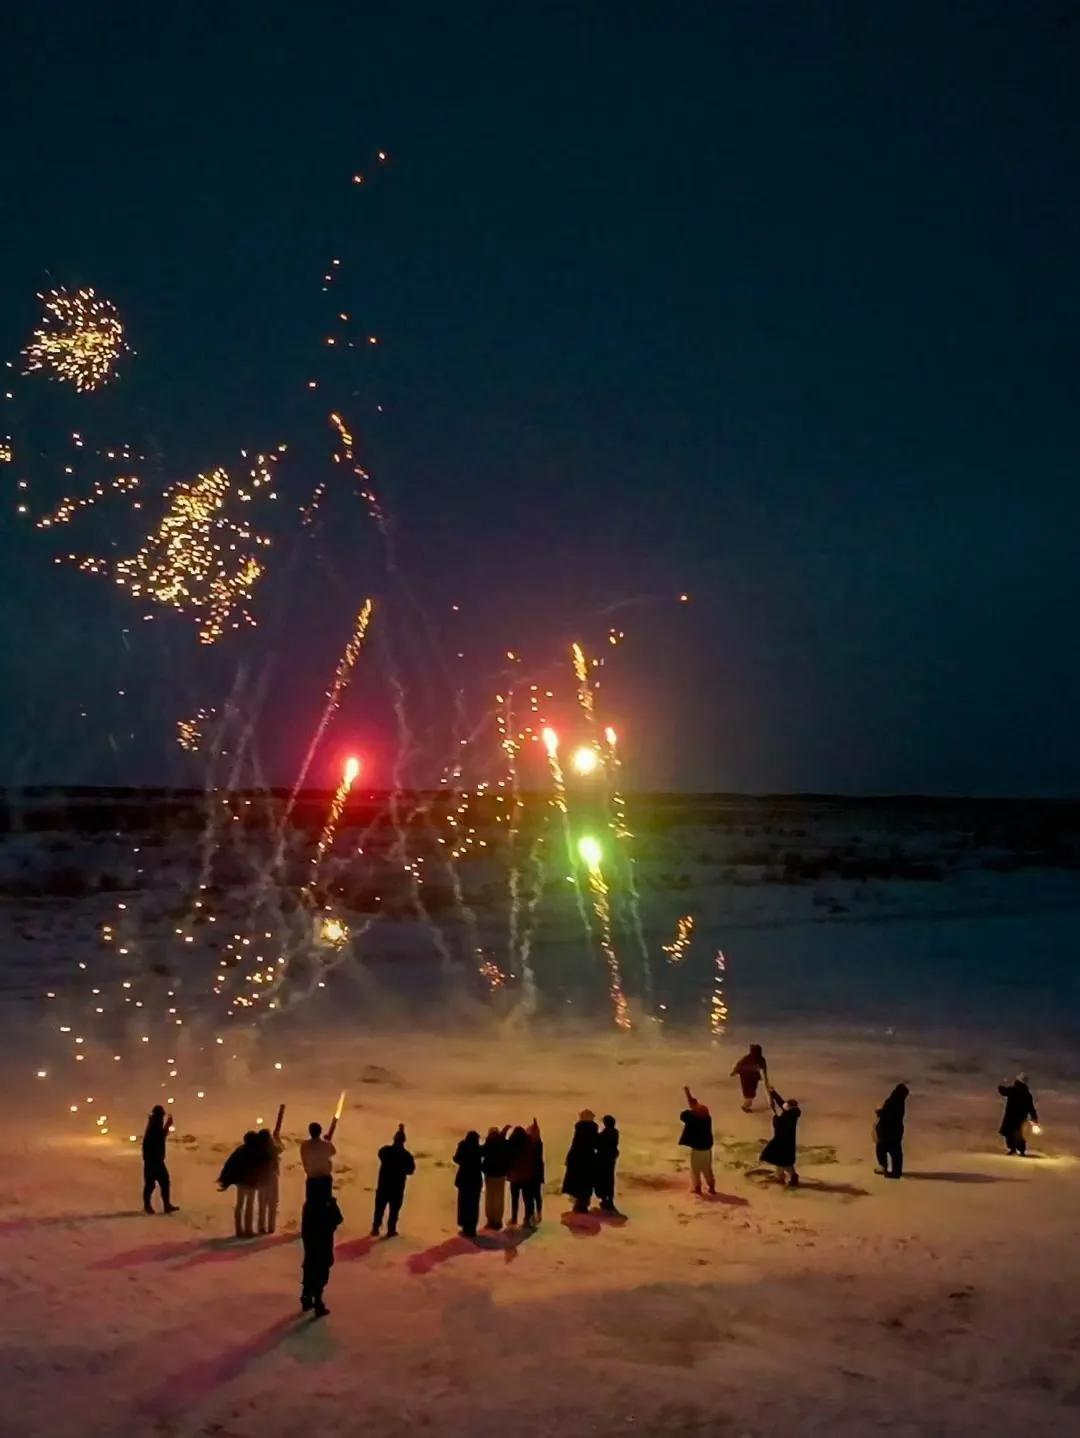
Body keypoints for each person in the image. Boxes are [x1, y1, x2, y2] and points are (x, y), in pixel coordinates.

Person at [300, 1178, 343, 1318]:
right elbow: (338, 1219)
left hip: (310, 1239)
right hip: (324, 1239)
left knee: (310, 1264)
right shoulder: (328, 1204)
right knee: (322, 1267)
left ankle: (306, 1296)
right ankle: (318, 1301)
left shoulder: (308, 1205)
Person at [371, 1123, 415, 1237]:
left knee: (379, 1209)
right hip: (397, 1187)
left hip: (383, 1185)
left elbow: (380, 1154)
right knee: (394, 1211)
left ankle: (375, 1227)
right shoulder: (407, 1156)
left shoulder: (385, 1151)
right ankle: (391, 1229)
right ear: (404, 1141)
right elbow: (411, 1171)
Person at [218, 1130, 264, 1237]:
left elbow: (230, 1165)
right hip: (250, 1182)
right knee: (249, 1205)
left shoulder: (240, 1151)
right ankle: (248, 1230)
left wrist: (225, 1179)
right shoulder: (256, 1152)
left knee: (240, 1205)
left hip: (242, 1182)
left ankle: (239, 1230)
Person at [679, 1087, 716, 1195]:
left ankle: (697, 1188)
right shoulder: (707, 1118)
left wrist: (689, 1098)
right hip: (707, 1148)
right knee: (707, 1169)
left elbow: (683, 1115)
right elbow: (695, 1106)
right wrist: (688, 1094)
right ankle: (711, 1186)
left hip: (697, 1149)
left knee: (695, 1169)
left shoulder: (692, 1118)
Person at [142, 1105, 178, 1214]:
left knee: (162, 1182)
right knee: (152, 1184)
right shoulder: (154, 1126)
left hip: (155, 1160)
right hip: (153, 1161)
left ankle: (165, 1205)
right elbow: (159, 1137)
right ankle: (149, 1205)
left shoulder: (154, 1124)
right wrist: (168, 1125)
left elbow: (160, 1136)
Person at [761, 1087, 801, 1186]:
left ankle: (787, 1177)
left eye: (787, 1105)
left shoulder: (789, 1117)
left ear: (791, 1107)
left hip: (782, 1140)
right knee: (783, 1160)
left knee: (782, 1160)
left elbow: (779, 1125)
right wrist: (773, 1093)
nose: (785, 1105)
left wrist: (774, 1114)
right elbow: (781, 1103)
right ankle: (782, 1176)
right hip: (786, 1141)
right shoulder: (791, 1113)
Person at [562, 1109, 599, 1214]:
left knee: (577, 1180)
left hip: (577, 1156)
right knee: (586, 1180)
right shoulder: (594, 1127)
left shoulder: (579, 1126)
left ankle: (579, 1203)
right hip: (589, 1157)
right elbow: (595, 1143)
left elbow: (575, 1142)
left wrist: (569, 1157)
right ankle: (584, 1203)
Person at [256, 1107, 285, 1233]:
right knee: (272, 1204)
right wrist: (277, 1137)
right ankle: (271, 1227)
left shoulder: (257, 1150)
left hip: (261, 1180)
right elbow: (281, 1148)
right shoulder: (273, 1149)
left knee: (262, 1205)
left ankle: (261, 1227)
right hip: (272, 1178)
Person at [998, 1073, 1038, 1156]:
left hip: (1010, 1116)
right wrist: (1034, 1118)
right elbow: (1031, 1108)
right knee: (1017, 1133)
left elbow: (1003, 1091)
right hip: (1021, 1117)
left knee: (1009, 1133)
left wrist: (1001, 1085)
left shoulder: (1013, 1090)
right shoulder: (1027, 1094)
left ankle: (1013, 1149)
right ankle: (1021, 1150)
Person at [874, 1083, 909, 1179]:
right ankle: (896, 1171)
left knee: (882, 1149)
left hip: (887, 1131)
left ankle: (885, 1168)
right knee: (895, 1152)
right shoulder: (900, 1102)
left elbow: (887, 1115)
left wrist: (879, 1112)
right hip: (895, 1131)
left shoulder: (891, 1101)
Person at [453, 1130, 484, 1238]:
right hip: (475, 1180)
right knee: (474, 1205)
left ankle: (465, 1226)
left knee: (464, 1203)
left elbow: (457, 1159)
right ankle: (472, 1228)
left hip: (464, 1180)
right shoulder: (478, 1148)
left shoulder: (462, 1145)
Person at [481, 1124, 512, 1230]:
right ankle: (498, 1220)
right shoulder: (504, 1143)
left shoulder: (488, 1142)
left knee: (490, 1197)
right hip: (501, 1174)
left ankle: (490, 1219)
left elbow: (482, 1152)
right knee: (499, 1197)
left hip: (489, 1174)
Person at [300, 1120, 336, 1195]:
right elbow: (333, 1152)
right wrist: (328, 1141)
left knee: (311, 1203)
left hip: (312, 1179)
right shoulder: (325, 1144)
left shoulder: (305, 1145)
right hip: (325, 1179)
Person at [731, 1044, 768, 1112]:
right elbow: (764, 1070)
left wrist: (734, 1072)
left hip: (748, 1078)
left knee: (750, 1093)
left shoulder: (748, 1058)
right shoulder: (761, 1059)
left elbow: (739, 1065)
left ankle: (746, 1105)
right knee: (750, 1094)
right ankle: (745, 1106)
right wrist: (766, 1080)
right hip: (750, 1078)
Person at [595, 1114, 620, 1213]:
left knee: (603, 1178)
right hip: (611, 1158)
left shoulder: (605, 1133)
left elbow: (598, 1143)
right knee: (609, 1178)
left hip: (603, 1158)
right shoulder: (615, 1132)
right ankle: (609, 1198)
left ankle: (605, 1198)